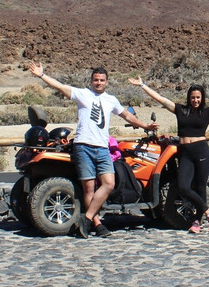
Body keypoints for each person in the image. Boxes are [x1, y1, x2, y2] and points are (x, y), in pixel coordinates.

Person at [29, 63, 157, 238]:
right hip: (83, 146)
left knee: (109, 183)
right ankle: (97, 224)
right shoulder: (83, 94)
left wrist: (145, 126)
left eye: (102, 80)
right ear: (91, 81)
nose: (98, 83)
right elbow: (59, 86)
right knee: (89, 189)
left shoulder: (111, 100)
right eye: (96, 80)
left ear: (107, 82)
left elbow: (127, 115)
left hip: (102, 148)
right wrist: (42, 75)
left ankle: (86, 218)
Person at [130, 76, 209, 233]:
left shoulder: (207, 112)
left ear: (202, 98)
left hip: (201, 152)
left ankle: (197, 221)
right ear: (189, 97)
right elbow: (161, 99)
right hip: (185, 153)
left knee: (200, 187)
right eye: (193, 97)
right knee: (183, 187)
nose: (195, 100)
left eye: (198, 97)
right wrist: (142, 85)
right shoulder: (181, 110)